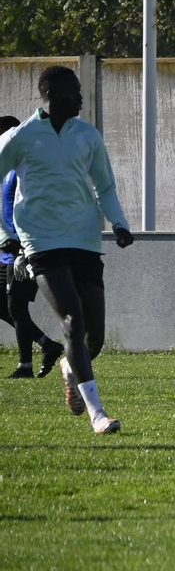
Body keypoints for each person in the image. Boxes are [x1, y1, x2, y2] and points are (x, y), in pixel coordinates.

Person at [0, 67, 134, 434]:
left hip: (85, 239)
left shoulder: (88, 136)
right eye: (73, 91)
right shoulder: (21, 136)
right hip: (41, 243)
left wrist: (119, 223)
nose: (79, 97)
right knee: (72, 322)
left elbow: (105, 185)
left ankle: (69, 368)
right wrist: (3, 234)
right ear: (51, 94)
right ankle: (98, 415)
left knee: (95, 339)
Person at [1, 114, 65, 379]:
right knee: (6, 305)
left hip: (24, 248)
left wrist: (23, 252)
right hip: (6, 249)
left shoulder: (24, 168)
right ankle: (47, 346)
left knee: (15, 305)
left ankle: (26, 365)